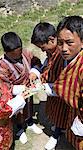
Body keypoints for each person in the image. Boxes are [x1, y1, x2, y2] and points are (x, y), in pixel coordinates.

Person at [0, 32, 43, 144]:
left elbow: (36, 62)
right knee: (19, 112)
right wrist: (22, 89)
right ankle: (21, 129)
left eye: (20, 52)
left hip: (28, 90)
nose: (18, 56)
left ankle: (30, 123)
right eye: (15, 55)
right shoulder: (2, 66)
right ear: (6, 52)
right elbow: (5, 87)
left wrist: (33, 72)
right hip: (16, 94)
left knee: (29, 107)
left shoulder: (25, 53)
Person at [30, 22, 69, 150]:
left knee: (60, 114)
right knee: (54, 112)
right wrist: (37, 72)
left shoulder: (63, 55)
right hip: (52, 90)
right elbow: (47, 62)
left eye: (43, 47)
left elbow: (66, 82)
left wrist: (47, 87)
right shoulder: (52, 51)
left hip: (60, 93)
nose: (42, 51)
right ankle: (59, 127)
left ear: (52, 40)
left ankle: (56, 134)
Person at [0, 47, 26, 150]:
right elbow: (1, 110)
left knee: (8, 140)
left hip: (7, 122)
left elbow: (5, 87)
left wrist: (20, 89)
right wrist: (19, 100)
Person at [53, 15, 83, 150]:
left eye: (69, 42)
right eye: (60, 43)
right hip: (72, 111)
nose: (64, 48)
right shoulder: (61, 57)